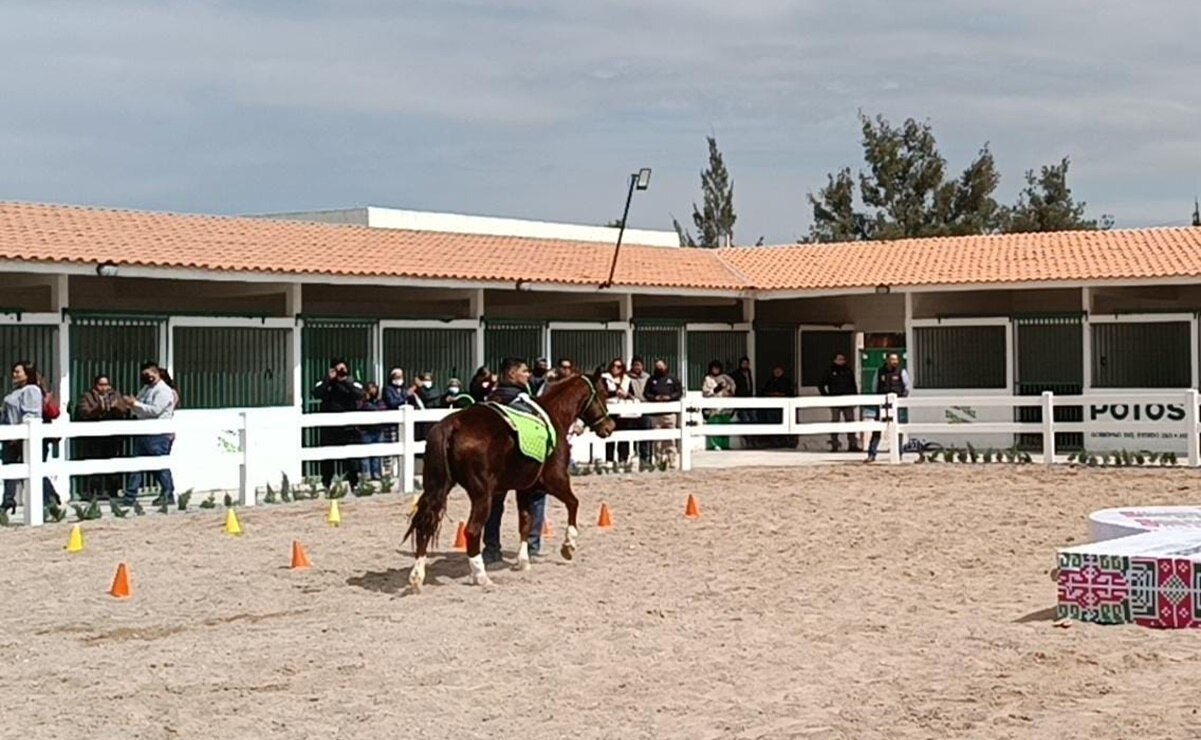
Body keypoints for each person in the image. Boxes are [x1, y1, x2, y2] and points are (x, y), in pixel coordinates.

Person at [482, 357, 548, 565]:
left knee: (493, 503)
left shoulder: (491, 400)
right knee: (536, 495)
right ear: (512, 375)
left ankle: (491, 548)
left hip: (493, 464)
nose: (528, 375)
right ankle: (532, 545)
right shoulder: (522, 402)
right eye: (524, 371)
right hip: (521, 461)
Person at [1, 361, 59, 514]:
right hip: (11, 436)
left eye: (18, 372)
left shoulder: (32, 390)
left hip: (22, 437)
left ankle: (50, 501)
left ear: (27, 374)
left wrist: (20, 434)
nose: (14, 374)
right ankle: (7, 502)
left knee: (33, 469)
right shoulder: (15, 391)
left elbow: (31, 414)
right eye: (14, 371)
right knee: (11, 470)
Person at [121, 362, 177, 506]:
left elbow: (155, 411)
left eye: (148, 375)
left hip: (158, 434)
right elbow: (139, 406)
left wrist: (135, 404)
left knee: (159, 466)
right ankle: (130, 496)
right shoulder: (146, 389)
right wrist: (131, 405)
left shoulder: (163, 391)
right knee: (137, 465)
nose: (145, 378)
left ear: (156, 373)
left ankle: (168, 493)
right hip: (144, 431)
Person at [311, 358, 364, 491]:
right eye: (338, 370)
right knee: (328, 458)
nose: (340, 372)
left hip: (348, 428)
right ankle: (326, 484)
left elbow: (360, 394)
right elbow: (316, 393)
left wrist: (345, 382)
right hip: (330, 429)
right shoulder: (325, 383)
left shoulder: (352, 383)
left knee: (351, 459)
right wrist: (329, 379)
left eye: (343, 369)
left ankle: (354, 484)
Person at [77, 374, 128, 500]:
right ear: (96, 385)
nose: (104, 388)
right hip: (94, 436)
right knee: (94, 462)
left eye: (106, 385)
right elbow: (84, 412)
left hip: (112, 436)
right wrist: (98, 408)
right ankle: (93, 492)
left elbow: (125, 409)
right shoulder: (87, 396)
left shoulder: (115, 395)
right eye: (101, 384)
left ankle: (113, 491)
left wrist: (116, 406)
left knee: (113, 463)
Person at [865, 353, 910, 463]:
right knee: (877, 429)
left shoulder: (902, 372)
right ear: (887, 360)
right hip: (882, 405)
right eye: (892, 360)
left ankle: (898, 453)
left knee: (898, 429)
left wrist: (902, 400)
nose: (895, 362)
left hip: (896, 404)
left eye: (896, 360)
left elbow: (907, 387)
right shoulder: (879, 372)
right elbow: (874, 387)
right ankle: (872, 454)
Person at [643, 358, 683, 467]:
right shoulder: (651, 380)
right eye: (657, 367)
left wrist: (670, 397)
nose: (660, 369)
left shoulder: (673, 379)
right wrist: (655, 398)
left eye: (661, 366)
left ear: (666, 366)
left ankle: (672, 460)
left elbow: (679, 392)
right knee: (657, 441)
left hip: (669, 414)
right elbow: (646, 394)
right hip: (656, 415)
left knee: (670, 439)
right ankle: (658, 461)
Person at [819, 353, 861, 453]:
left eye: (843, 359)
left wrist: (855, 398)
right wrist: (826, 396)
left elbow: (853, 385)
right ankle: (834, 445)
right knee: (835, 423)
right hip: (835, 400)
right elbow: (821, 384)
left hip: (848, 400)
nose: (842, 361)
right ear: (834, 360)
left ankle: (852, 444)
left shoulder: (848, 371)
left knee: (850, 422)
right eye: (839, 359)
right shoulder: (829, 371)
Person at [700, 360, 737, 451]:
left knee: (725, 425)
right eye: (714, 368)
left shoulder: (726, 377)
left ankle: (725, 444)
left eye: (717, 368)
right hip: (713, 408)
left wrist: (728, 389)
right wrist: (716, 389)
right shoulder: (708, 379)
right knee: (714, 425)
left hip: (725, 407)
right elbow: (705, 393)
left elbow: (733, 387)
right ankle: (714, 445)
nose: (716, 370)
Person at [357, 382, 388, 481]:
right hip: (366, 431)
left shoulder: (379, 402)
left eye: (374, 388)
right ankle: (366, 475)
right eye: (371, 389)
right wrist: (366, 400)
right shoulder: (362, 402)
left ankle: (376, 473)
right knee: (365, 455)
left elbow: (382, 409)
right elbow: (364, 408)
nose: (373, 391)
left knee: (377, 454)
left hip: (378, 430)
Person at [760, 365, 796, 448]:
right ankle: (773, 440)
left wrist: (781, 395)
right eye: (776, 371)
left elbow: (789, 393)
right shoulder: (770, 381)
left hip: (783, 407)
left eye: (779, 371)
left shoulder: (786, 382)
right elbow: (765, 391)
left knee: (783, 421)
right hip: (772, 406)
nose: (777, 373)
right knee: (772, 422)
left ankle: (784, 440)